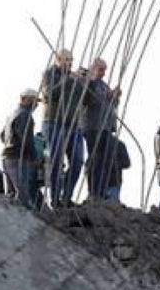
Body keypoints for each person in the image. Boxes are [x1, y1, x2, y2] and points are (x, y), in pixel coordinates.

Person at [40, 49, 87, 206]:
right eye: (66, 60)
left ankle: (66, 196)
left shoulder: (74, 78)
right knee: (56, 162)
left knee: (78, 161)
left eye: (71, 60)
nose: (70, 63)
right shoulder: (49, 74)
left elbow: (86, 99)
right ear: (58, 60)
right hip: (54, 122)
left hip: (73, 125)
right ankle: (54, 199)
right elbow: (49, 94)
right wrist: (67, 81)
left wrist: (87, 80)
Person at [83, 58, 120, 196]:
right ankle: (93, 191)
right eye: (101, 70)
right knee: (95, 159)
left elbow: (110, 105)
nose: (103, 73)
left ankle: (100, 190)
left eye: (105, 70)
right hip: (93, 127)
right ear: (93, 68)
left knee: (104, 160)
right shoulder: (89, 83)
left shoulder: (103, 85)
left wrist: (114, 97)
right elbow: (90, 100)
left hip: (105, 127)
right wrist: (109, 95)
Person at [0, 88, 41, 209]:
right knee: (23, 195)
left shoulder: (12, 114)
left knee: (12, 194)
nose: (36, 105)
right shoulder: (25, 115)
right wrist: (34, 157)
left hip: (7, 157)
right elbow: (26, 140)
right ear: (24, 99)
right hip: (18, 158)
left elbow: (2, 135)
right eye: (34, 101)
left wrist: (10, 142)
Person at [104, 137, 131, 203]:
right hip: (102, 183)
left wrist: (114, 164)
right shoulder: (97, 142)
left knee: (110, 205)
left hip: (113, 182)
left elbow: (127, 163)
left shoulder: (118, 144)